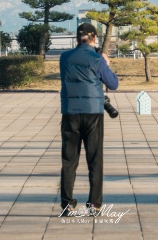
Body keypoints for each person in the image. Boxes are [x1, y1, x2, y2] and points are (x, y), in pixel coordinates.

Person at [59, 23, 118, 212]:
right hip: (93, 111)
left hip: (70, 112)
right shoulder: (97, 59)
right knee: (94, 159)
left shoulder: (64, 58)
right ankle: (94, 204)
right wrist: (106, 64)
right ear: (94, 38)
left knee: (69, 160)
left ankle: (67, 204)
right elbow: (112, 83)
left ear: (77, 38)